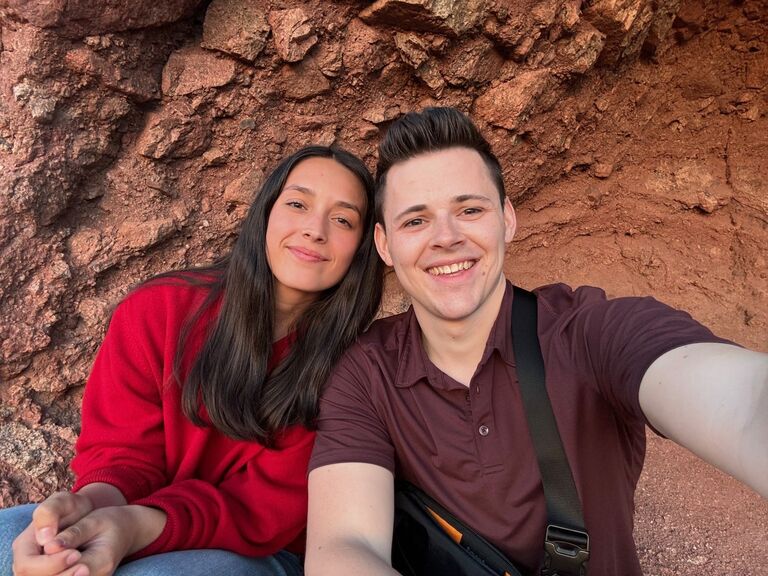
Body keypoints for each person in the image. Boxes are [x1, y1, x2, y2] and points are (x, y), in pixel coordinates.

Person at [304, 108, 768, 576]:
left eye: (469, 210)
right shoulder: (367, 371)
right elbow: (345, 545)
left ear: (506, 220)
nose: (445, 238)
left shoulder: (587, 334)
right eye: (415, 221)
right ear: (384, 245)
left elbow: (746, 405)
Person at [1, 145, 383, 576]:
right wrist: (90, 505)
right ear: (266, 214)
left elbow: (260, 511)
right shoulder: (158, 310)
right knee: (10, 537)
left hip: (258, 550)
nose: (315, 229)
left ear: (364, 248)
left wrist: (132, 527)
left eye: (343, 219)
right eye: (297, 204)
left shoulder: (353, 368)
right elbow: (122, 454)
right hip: (134, 514)